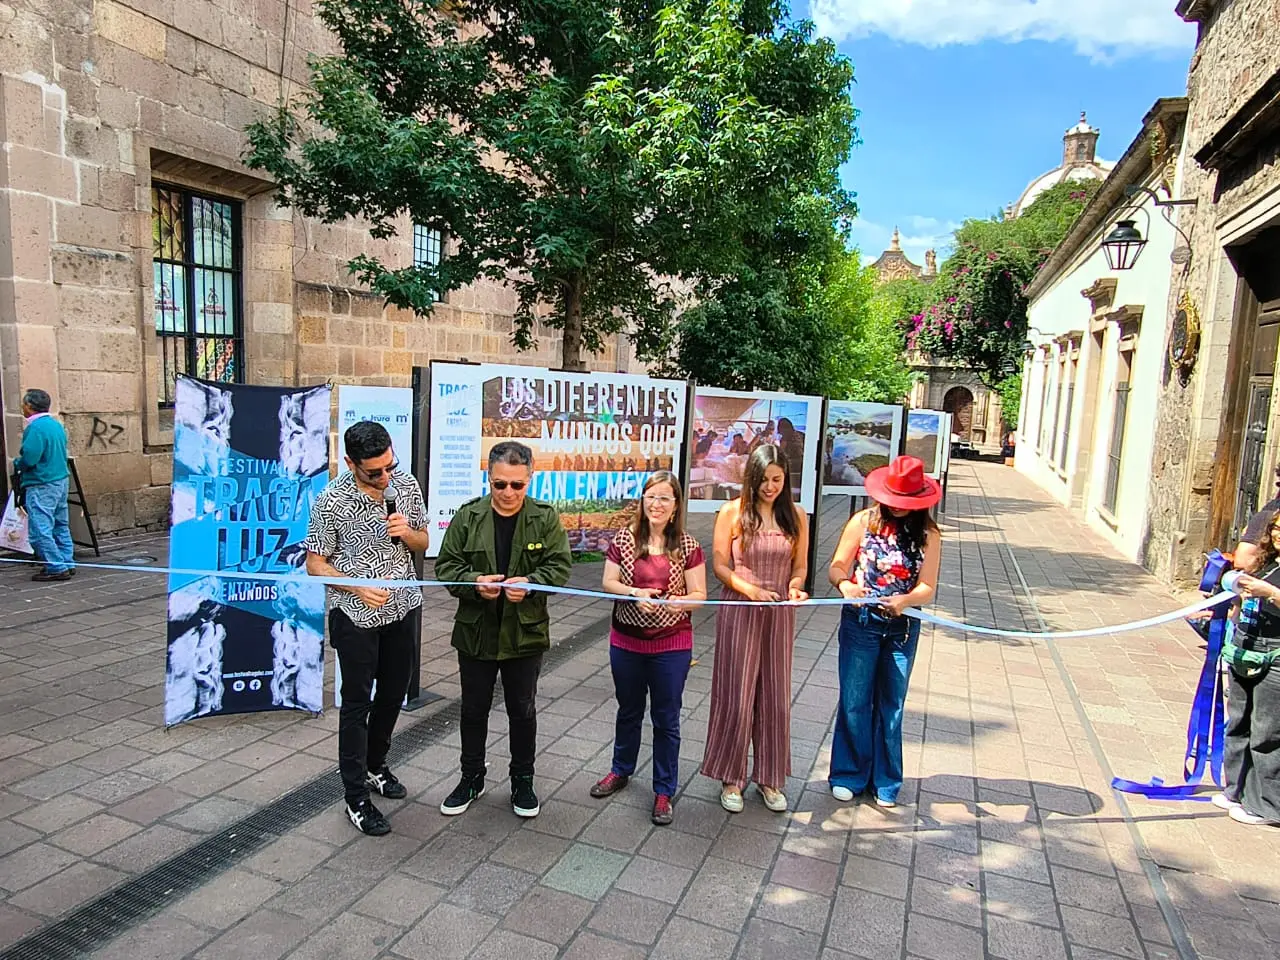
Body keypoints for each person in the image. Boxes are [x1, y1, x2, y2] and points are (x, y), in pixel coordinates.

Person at [304, 421, 430, 837]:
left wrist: (408, 533)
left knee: (394, 694)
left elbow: (424, 542)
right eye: (374, 472)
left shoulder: (405, 485)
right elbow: (315, 564)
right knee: (357, 704)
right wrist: (356, 585)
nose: (385, 477)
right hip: (355, 617)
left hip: (403, 608)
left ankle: (376, 765)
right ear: (350, 463)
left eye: (389, 466)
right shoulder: (331, 501)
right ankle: (355, 797)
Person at [435, 441, 572, 819]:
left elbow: (559, 566)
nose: (508, 492)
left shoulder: (544, 518)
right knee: (473, 710)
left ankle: (522, 781)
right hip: (476, 631)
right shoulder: (469, 517)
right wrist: (474, 583)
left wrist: (532, 583)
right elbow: (446, 566)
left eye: (517, 485)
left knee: (522, 710)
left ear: (530, 478)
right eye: (500, 484)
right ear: (488, 478)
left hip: (524, 633)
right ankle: (471, 778)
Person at [591, 471, 707, 826]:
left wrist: (679, 603)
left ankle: (664, 790)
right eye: (651, 497)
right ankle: (620, 769)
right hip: (626, 640)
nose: (657, 504)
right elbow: (608, 582)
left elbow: (700, 595)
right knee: (628, 709)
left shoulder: (688, 545)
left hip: (671, 644)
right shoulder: (625, 539)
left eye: (664, 498)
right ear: (642, 501)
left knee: (666, 718)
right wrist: (634, 593)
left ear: (675, 505)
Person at [826, 455, 941, 808]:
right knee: (855, 699)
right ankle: (848, 773)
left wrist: (906, 600)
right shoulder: (863, 522)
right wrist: (846, 585)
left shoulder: (929, 534)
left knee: (892, 704)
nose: (898, 506)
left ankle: (886, 779)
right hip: (861, 622)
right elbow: (837, 566)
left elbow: (927, 586)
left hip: (902, 627)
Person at [702, 444, 809, 813]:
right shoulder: (732, 512)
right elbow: (720, 565)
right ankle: (731, 776)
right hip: (740, 609)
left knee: (775, 694)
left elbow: (799, 566)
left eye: (777, 479)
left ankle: (770, 777)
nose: (770, 487)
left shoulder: (796, 515)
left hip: (778, 613)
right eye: (763, 479)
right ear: (751, 478)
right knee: (736, 692)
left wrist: (795, 586)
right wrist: (750, 590)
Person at [1215, 508, 1280, 826]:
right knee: (1238, 723)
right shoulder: (1269, 561)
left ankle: (1267, 806)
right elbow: (1237, 580)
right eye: (1276, 527)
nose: (1278, 534)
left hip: (1275, 655)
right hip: (1246, 647)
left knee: (1267, 733)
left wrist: (1271, 593)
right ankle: (1235, 791)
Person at [13, 389, 74, 582]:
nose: (22, 407)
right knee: (60, 524)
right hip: (60, 480)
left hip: (42, 482)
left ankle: (56, 566)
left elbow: (30, 458)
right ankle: (67, 561)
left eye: (24, 404)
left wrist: (18, 464)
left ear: (30, 406)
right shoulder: (55, 425)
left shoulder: (36, 428)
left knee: (40, 528)